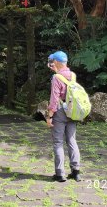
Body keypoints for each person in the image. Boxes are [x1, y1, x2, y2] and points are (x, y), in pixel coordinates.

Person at [46, 50, 81, 182]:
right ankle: (76, 171)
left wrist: (49, 117)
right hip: (72, 111)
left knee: (58, 142)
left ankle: (60, 174)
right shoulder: (73, 75)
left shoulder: (56, 78)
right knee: (72, 140)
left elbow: (54, 99)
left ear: (55, 62)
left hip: (60, 112)